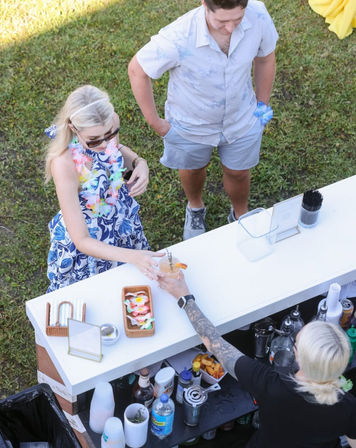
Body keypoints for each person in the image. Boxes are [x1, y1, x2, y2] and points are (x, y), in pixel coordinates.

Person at [128, 0, 278, 240]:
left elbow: (265, 58)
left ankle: (240, 215)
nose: (230, 28)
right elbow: (137, 70)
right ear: (204, 5)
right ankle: (195, 207)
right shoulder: (178, 36)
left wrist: (263, 104)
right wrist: (156, 123)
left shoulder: (258, 15)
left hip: (242, 118)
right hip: (190, 125)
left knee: (239, 173)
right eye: (222, 21)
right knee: (192, 170)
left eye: (237, 20)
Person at [157, 272, 356, 448]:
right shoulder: (348, 407)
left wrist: (184, 298)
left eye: (295, 343)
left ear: (300, 358)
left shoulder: (271, 385)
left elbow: (214, 343)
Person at [44, 85, 163, 292]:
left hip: (118, 218)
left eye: (110, 134)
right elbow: (81, 239)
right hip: (89, 237)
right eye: (94, 140)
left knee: (131, 287)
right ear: (74, 129)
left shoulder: (108, 121)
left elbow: (117, 149)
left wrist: (139, 163)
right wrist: (132, 256)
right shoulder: (63, 163)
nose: (106, 143)